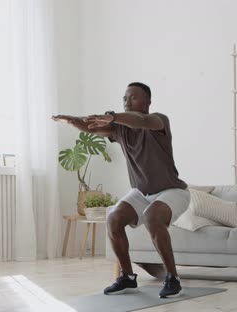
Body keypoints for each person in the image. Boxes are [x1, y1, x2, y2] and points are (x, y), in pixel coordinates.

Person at [52, 82, 189, 298]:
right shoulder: (120, 129)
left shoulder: (159, 121)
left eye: (133, 98)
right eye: (125, 98)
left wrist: (113, 117)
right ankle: (127, 277)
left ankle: (173, 278)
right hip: (142, 192)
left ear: (147, 102)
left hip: (172, 191)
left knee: (152, 216)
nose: (127, 101)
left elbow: (142, 120)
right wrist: (72, 120)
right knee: (114, 218)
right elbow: (92, 127)